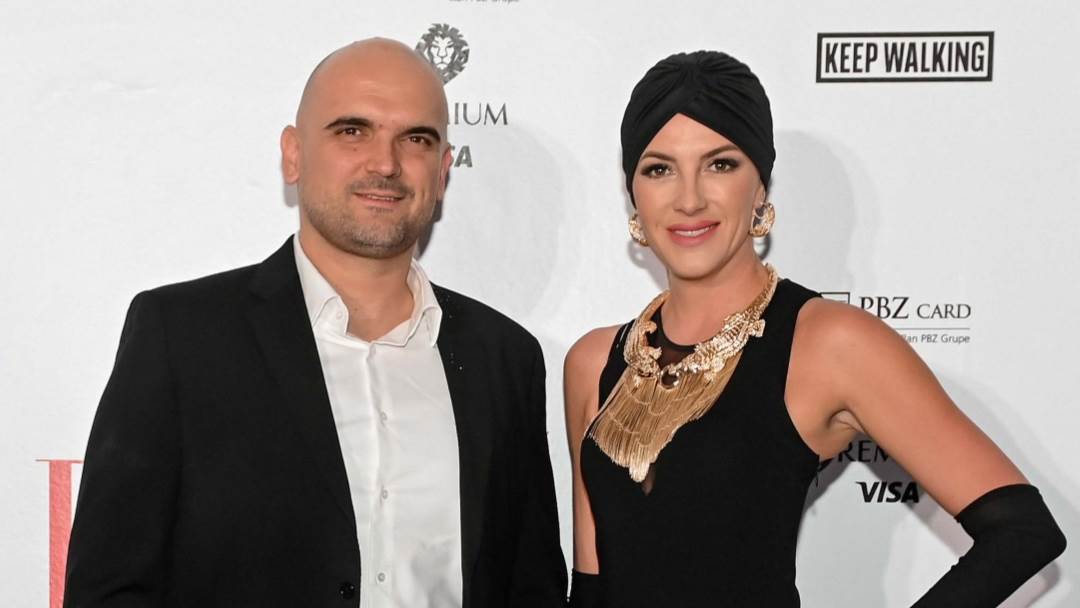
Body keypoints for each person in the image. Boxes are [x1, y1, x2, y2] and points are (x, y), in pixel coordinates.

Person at [64, 39, 567, 608]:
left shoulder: (504, 358)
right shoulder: (182, 337)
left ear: (444, 170)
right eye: (352, 131)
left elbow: (532, 588)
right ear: (294, 154)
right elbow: (108, 588)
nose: (385, 163)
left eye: (416, 139)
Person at [564, 50, 1066, 607]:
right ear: (633, 193)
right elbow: (590, 586)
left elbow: (1022, 532)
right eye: (659, 169)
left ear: (760, 186)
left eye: (720, 164)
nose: (689, 199)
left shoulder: (829, 344)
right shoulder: (593, 361)